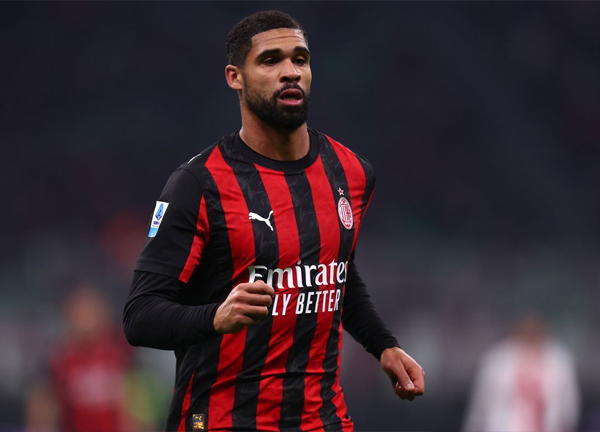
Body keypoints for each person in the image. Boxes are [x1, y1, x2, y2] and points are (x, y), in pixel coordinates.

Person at [123, 10, 424, 431]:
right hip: (222, 420)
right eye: (270, 60)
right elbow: (139, 317)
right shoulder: (199, 184)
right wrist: (215, 317)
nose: (290, 72)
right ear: (235, 77)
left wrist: (384, 346)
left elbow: (334, 272)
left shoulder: (351, 172)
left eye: (300, 59)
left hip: (322, 420)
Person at [462, 313, 580, 432]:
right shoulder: (498, 358)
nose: (531, 331)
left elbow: (568, 405)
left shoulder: (559, 359)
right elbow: (481, 402)